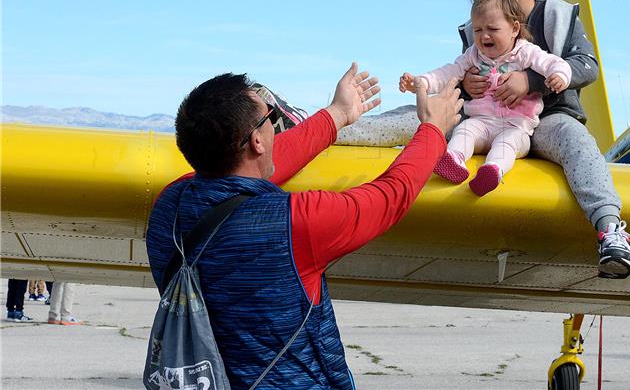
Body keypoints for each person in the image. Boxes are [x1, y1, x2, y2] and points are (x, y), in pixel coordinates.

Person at [146, 63, 461, 389]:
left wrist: (337, 114)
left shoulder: (169, 206)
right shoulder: (295, 222)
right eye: (270, 118)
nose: (274, 126)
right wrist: (433, 129)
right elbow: (389, 197)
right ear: (257, 141)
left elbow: (251, 168)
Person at [459, 0, 630, 278]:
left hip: (547, 122)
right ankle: (340, 126)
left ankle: (611, 231)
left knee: (577, 141)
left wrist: (532, 81)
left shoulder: (556, 15)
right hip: (488, 121)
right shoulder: (477, 28)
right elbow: (457, 79)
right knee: (429, 112)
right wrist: (466, 85)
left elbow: (587, 65)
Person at [400, 0, 571, 196]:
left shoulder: (526, 52)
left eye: (492, 29)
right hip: (482, 121)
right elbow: (449, 72)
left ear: (514, 28)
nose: (484, 36)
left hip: (516, 126)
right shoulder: (474, 55)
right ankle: (454, 160)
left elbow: (552, 63)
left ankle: (493, 170)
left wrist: (560, 75)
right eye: (478, 30)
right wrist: (422, 82)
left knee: (506, 144)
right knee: (465, 130)